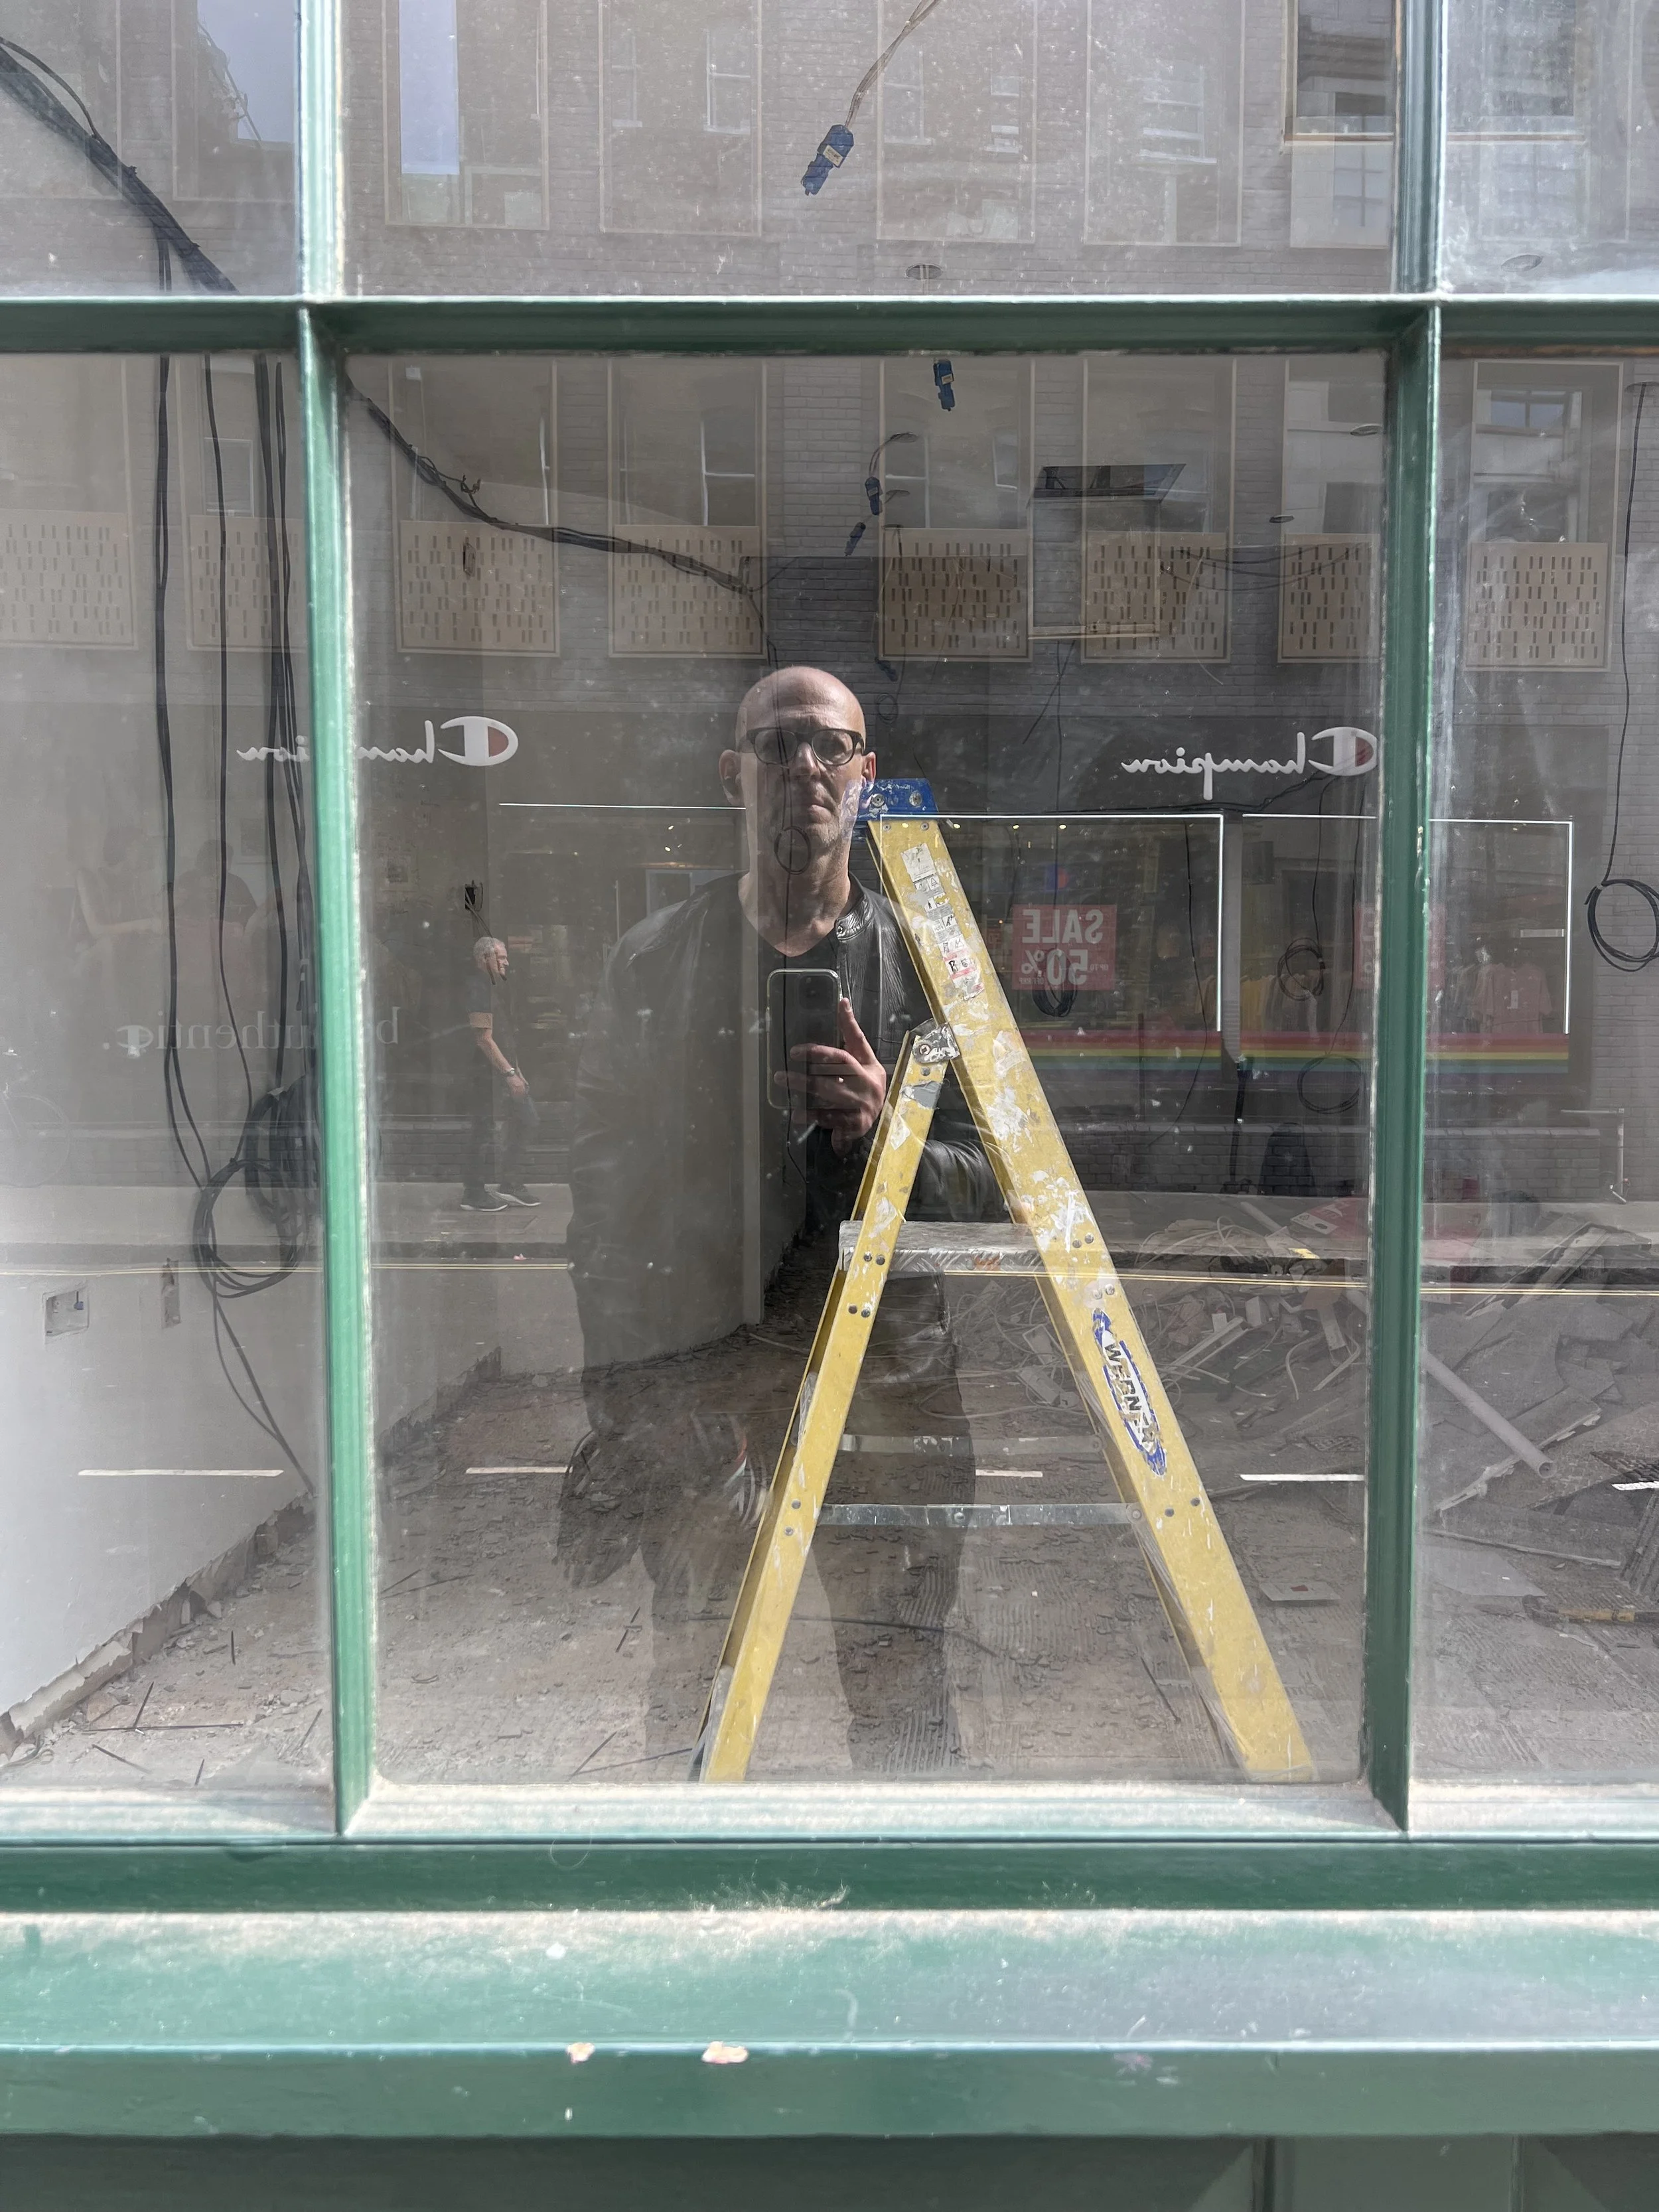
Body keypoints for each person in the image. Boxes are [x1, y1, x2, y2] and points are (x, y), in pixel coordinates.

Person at [562, 666, 1000, 1773]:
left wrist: (887, 1131)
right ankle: (684, 1889)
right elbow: (603, 1196)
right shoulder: (655, 962)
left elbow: (1000, 1184)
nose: (805, 766)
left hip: (886, 1373)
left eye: (832, 747)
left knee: (903, 1674)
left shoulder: (932, 969)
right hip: (705, 1372)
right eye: (778, 744)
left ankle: (912, 1911)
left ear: (866, 777)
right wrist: (628, 1386)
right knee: (696, 1670)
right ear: (733, 775)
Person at [459, 934, 540, 1213]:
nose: (507, 962)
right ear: (485, 959)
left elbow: (504, 1036)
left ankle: (510, 1184)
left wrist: (518, 1071)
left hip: (504, 1072)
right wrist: (510, 1073)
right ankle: (473, 1192)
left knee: (527, 1120)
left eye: (506, 957)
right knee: (482, 1131)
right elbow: (484, 1039)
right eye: (501, 958)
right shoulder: (477, 987)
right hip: (486, 1075)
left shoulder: (493, 987)